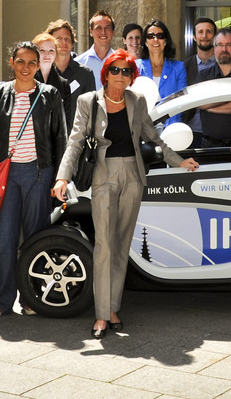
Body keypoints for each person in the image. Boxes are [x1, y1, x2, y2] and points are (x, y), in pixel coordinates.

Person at [52, 49, 200, 338]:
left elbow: (153, 137)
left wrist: (179, 161)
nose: (120, 76)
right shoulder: (88, 101)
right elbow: (75, 142)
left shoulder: (136, 100)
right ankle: (101, 315)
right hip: (103, 176)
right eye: (115, 70)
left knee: (121, 245)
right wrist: (62, 177)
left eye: (126, 71)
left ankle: (113, 308)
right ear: (105, 73)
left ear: (132, 76)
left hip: (133, 175)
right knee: (104, 246)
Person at [0, 42, 66, 318]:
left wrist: (60, 177)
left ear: (38, 66)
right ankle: (1, 301)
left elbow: (60, 139)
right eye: (21, 61)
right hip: (6, 176)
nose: (26, 68)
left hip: (39, 174)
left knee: (35, 238)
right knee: (4, 238)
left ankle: (31, 299)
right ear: (11, 62)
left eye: (32, 63)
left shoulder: (50, 94)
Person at [197, 29, 231, 148]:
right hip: (209, 146)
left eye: (229, 45)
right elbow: (199, 103)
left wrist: (210, 106)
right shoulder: (204, 75)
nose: (224, 49)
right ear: (214, 48)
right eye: (220, 45)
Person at [134, 19, 188, 125]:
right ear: (145, 42)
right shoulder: (136, 67)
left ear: (165, 41)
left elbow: (182, 102)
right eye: (150, 36)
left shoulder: (178, 68)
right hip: (142, 129)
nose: (155, 39)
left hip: (171, 128)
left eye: (160, 36)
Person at [46, 19, 95, 123]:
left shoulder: (85, 74)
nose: (64, 42)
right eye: (59, 38)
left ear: (72, 43)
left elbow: (91, 109)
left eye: (67, 39)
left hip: (76, 135)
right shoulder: (43, 73)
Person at [75, 10, 118, 85]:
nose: (103, 32)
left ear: (113, 32)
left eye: (107, 28)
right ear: (91, 32)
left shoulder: (121, 62)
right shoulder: (78, 63)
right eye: (98, 28)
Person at [188, 17, 218, 85]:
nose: (204, 36)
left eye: (209, 31)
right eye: (200, 32)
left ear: (215, 36)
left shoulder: (225, 64)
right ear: (194, 37)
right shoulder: (184, 68)